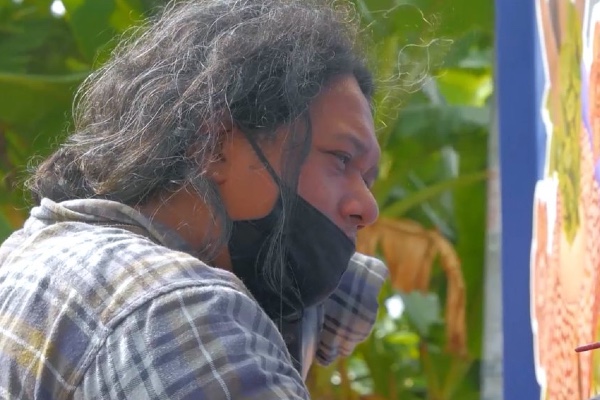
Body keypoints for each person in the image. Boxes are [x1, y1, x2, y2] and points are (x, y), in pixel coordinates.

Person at [0, 0, 388, 398]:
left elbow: (344, 301)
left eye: (368, 180)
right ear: (215, 143)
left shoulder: (31, 257)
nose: (368, 207)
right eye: (341, 159)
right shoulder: (181, 312)